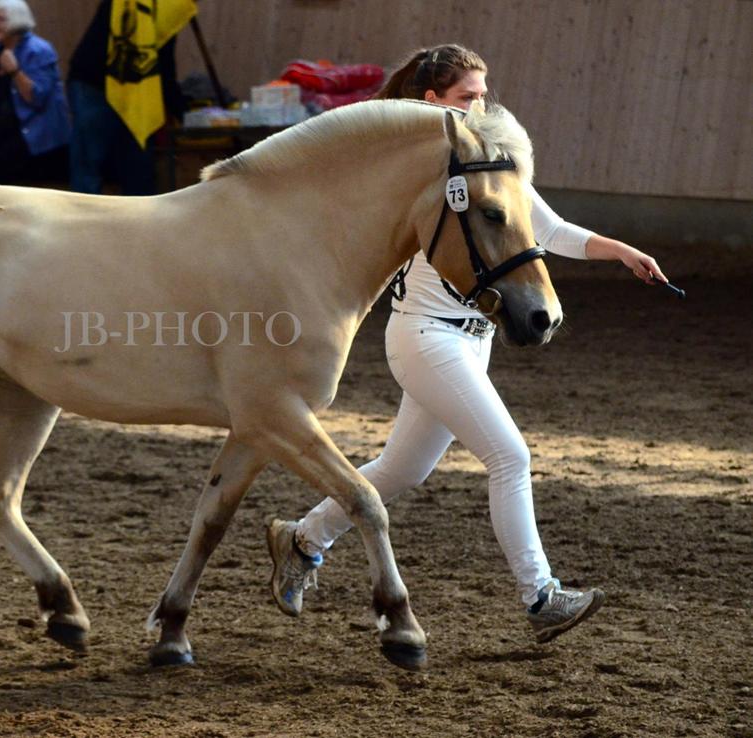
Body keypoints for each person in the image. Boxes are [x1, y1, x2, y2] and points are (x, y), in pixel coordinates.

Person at [266, 43, 671, 644]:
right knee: (511, 457)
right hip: (427, 338)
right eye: (467, 97)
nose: (482, 104)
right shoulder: (423, 174)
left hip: (470, 339)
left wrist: (621, 252)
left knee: (403, 467)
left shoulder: (486, 164)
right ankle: (541, 597)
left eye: (484, 93)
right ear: (432, 103)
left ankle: (301, 538)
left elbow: (550, 229)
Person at [66, 0, 190, 195]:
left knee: (130, 166)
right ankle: (85, 223)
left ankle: (133, 221)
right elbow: (163, 62)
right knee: (90, 165)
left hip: (128, 88)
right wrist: (180, 109)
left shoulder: (171, 5)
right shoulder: (170, 6)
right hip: (95, 80)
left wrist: (178, 106)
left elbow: (162, 61)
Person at [0, 0, 70, 185]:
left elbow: (36, 98)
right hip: (1, 129)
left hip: (32, 132)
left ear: (18, 20)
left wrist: (15, 71)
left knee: (3, 165)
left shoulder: (38, 50)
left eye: (0, 19)